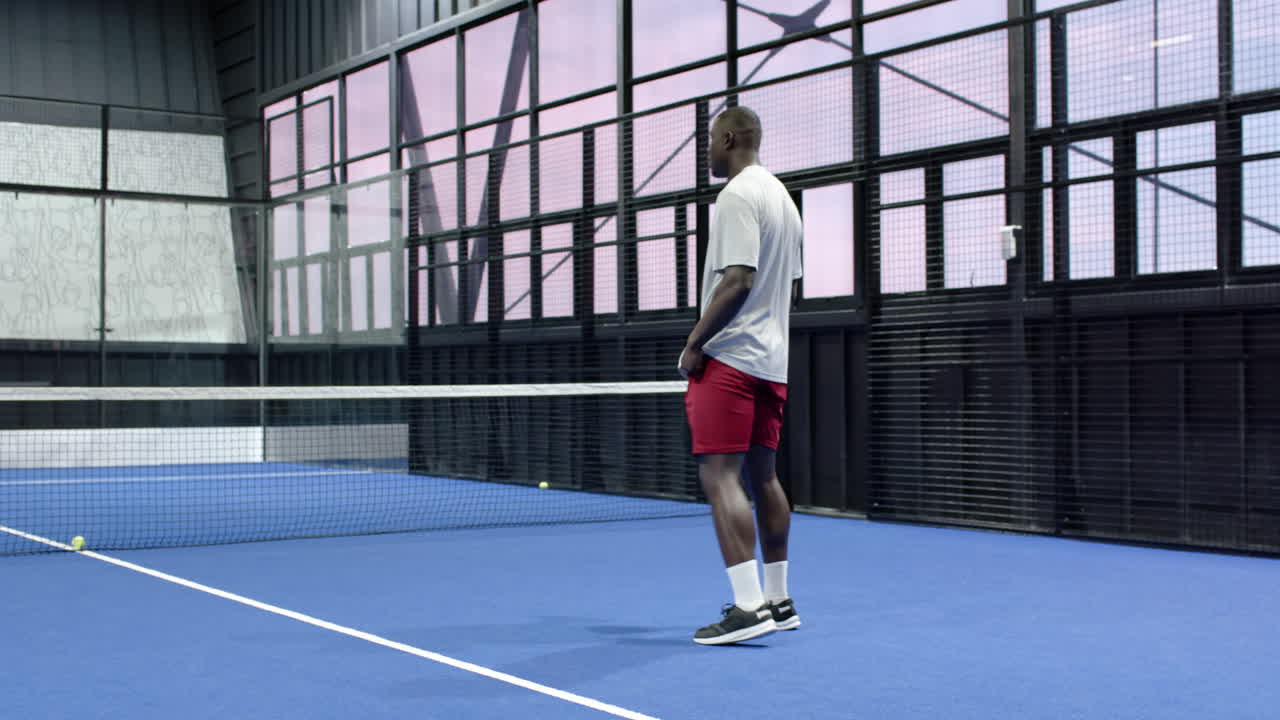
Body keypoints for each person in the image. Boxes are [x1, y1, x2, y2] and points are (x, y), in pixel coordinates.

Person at [679, 105, 803, 646]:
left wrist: (695, 341)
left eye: (710, 139)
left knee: (721, 477)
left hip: (729, 360)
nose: (708, 149)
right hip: (772, 363)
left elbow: (738, 279)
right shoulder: (784, 200)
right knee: (765, 476)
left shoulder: (736, 195)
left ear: (728, 138)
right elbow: (784, 283)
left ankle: (748, 607)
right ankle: (779, 600)